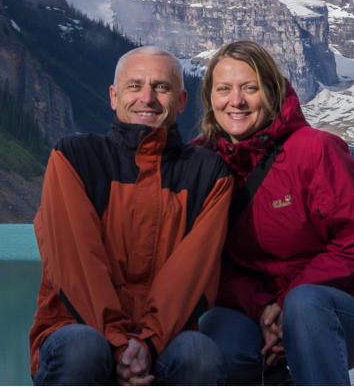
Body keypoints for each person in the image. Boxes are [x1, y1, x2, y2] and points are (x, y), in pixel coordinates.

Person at [29, 46, 234, 385]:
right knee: (83, 348)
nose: (148, 98)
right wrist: (118, 342)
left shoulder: (208, 173)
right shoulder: (74, 157)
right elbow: (78, 263)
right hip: (75, 326)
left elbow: (192, 275)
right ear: (114, 96)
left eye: (161, 87)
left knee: (199, 354)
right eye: (135, 86)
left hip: (163, 337)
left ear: (181, 101)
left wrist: (147, 342)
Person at [194, 40, 354, 386]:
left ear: (271, 91)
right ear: (210, 96)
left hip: (339, 311)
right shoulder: (201, 162)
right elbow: (206, 265)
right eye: (224, 89)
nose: (235, 101)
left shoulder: (316, 150)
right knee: (213, 332)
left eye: (249, 88)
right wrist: (265, 309)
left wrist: (285, 304)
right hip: (252, 312)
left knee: (305, 304)